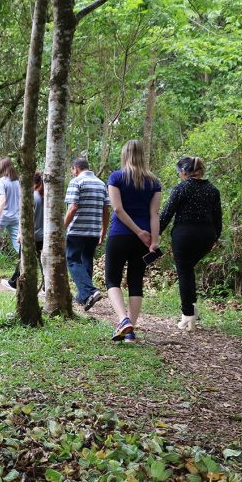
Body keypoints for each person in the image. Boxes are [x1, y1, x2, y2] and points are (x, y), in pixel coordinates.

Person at [104, 140, 162, 343]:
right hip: (144, 239)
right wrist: (153, 240)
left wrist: (137, 231)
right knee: (135, 281)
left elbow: (118, 209)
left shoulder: (116, 177)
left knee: (112, 279)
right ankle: (130, 332)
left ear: (125, 154)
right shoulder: (154, 182)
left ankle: (123, 320)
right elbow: (154, 214)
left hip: (119, 234)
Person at [160, 156, 222, 331]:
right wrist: (215, 238)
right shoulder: (213, 190)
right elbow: (218, 219)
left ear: (185, 172)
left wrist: (154, 235)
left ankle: (188, 315)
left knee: (185, 272)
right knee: (188, 271)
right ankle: (191, 312)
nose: (179, 176)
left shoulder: (182, 188)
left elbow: (166, 214)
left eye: (179, 172)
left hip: (185, 235)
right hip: (206, 237)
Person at [64, 157, 110, 310]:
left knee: (72, 260)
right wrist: (103, 231)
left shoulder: (76, 182)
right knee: (86, 260)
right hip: (94, 231)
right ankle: (84, 296)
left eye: (72, 171)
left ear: (75, 169)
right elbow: (106, 210)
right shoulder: (101, 184)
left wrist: (62, 228)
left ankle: (90, 291)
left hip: (77, 230)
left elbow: (73, 208)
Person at [1, 171, 45, 291]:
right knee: (42, 262)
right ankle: (46, 286)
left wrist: (20, 233)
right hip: (43, 235)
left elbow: (25, 218)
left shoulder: (32, 197)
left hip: (32, 235)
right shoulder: (45, 197)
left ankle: (14, 283)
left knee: (23, 259)